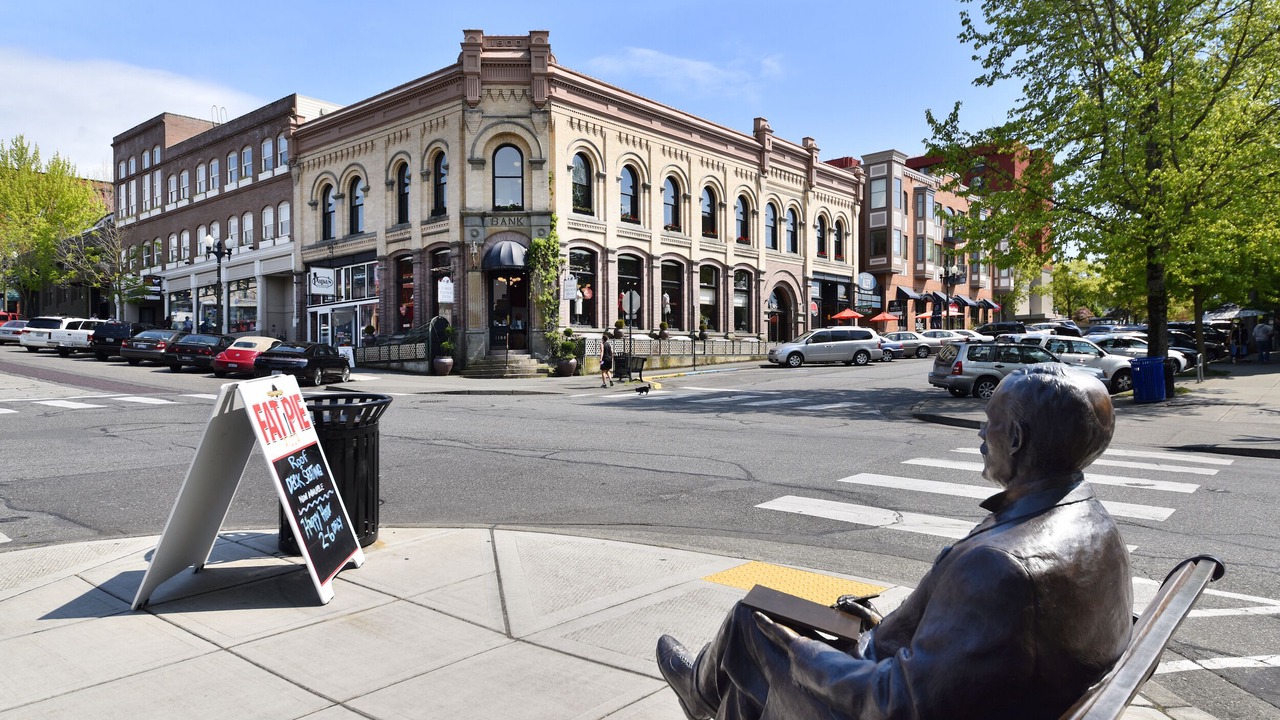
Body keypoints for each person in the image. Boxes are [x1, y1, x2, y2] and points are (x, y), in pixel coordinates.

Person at [657, 364, 1132, 720]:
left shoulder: (1000, 567)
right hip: (994, 692)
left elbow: (897, 704)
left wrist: (794, 652)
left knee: (753, 628)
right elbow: (978, 643)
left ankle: (700, 695)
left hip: (912, 703)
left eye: (990, 423)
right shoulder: (1092, 523)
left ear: (1018, 440)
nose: (981, 434)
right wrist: (886, 628)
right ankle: (710, 693)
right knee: (769, 627)